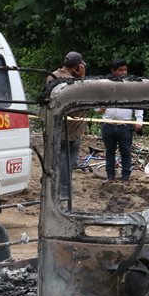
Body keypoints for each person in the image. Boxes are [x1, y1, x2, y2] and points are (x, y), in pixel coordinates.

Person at [46, 51, 87, 196]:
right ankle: (64, 191)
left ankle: (54, 188)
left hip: (56, 126)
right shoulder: (73, 83)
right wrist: (81, 78)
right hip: (70, 129)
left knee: (56, 160)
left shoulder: (52, 76)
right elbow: (83, 98)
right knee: (67, 161)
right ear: (77, 66)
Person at [99, 59, 143, 181]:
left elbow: (138, 105)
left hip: (125, 125)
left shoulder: (131, 86)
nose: (124, 72)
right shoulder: (105, 86)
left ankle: (125, 177)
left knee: (126, 151)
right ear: (113, 71)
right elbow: (97, 107)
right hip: (108, 124)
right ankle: (110, 176)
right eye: (120, 70)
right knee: (109, 151)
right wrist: (101, 108)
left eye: (125, 69)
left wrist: (139, 121)